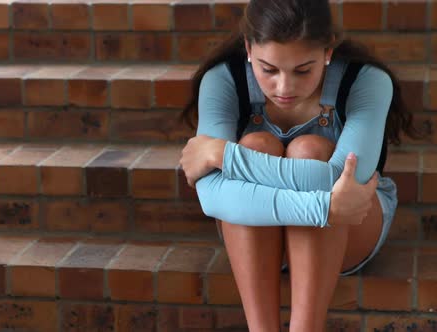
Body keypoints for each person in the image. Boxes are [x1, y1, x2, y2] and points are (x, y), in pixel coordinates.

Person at [179, 0, 429, 331]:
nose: (284, 88)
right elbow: (212, 198)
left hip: (349, 225)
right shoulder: (224, 79)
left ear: (328, 51)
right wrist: (322, 207)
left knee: (308, 150)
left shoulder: (366, 81)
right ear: (248, 48)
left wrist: (223, 155)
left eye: (302, 70)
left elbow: (336, 181)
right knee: (257, 144)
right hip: (276, 230)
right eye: (268, 70)